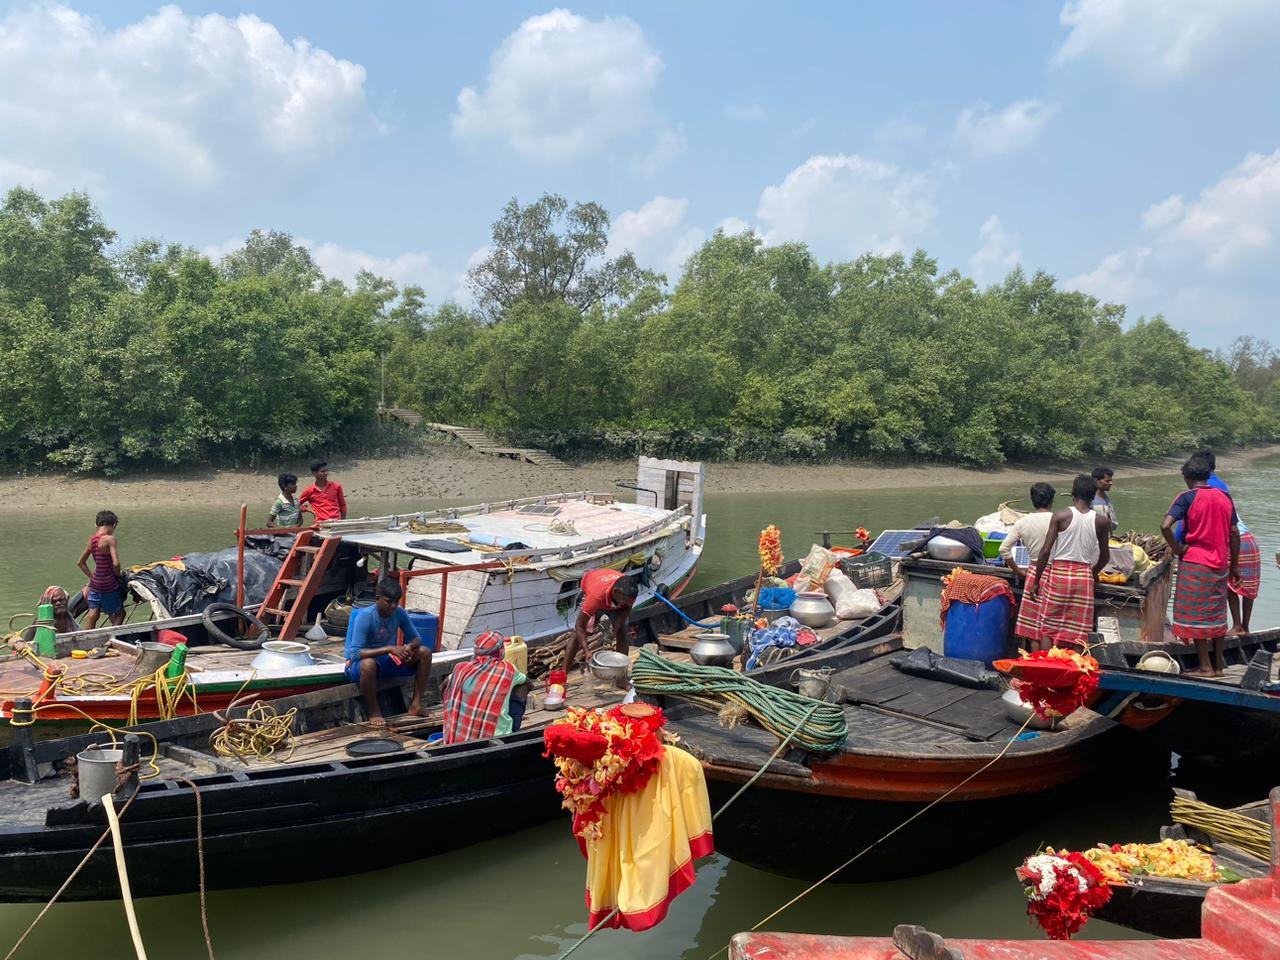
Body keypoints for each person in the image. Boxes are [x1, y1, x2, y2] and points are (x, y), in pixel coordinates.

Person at [1162, 453, 1240, 677]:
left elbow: (1165, 525)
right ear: (1208, 475)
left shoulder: (1186, 497)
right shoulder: (1225, 498)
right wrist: (1234, 566)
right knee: (1216, 615)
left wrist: (1178, 549)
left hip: (1196, 563)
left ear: (1187, 477)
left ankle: (1205, 667)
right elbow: (1234, 535)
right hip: (1219, 563)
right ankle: (1218, 667)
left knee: (1195, 615)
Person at [1028, 475, 1110, 652]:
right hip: (1083, 578)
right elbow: (1105, 557)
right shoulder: (1101, 521)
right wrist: (1093, 572)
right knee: (1078, 631)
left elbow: (1045, 551)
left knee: (1049, 627)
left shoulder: (1061, 515)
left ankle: (1046, 668)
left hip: (1059, 574)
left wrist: (1036, 581)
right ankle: (1073, 671)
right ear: (1093, 496)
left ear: (1073, 494)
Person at [1187, 450, 1260, 637]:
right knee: (1246, 586)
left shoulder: (1202, 489)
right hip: (1249, 539)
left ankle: (1236, 625)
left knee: (1228, 584)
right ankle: (1245, 626)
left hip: (1233, 539)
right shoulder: (1220, 484)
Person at [343, 579, 432, 727]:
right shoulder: (365, 616)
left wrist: (409, 647)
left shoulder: (399, 613)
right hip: (359, 665)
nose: (393, 606)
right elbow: (353, 653)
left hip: (385, 662)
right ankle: (374, 711)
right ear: (377, 599)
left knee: (425, 652)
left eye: (396, 602)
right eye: (389, 602)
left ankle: (416, 704)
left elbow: (416, 638)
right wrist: (389, 649)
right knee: (368, 664)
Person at [546, 569, 640, 708]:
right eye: (623, 600)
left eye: (628, 601)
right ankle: (563, 672)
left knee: (623, 631)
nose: (625, 603)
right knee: (577, 635)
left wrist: (615, 629)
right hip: (591, 588)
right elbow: (579, 626)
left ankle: (621, 678)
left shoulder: (629, 593)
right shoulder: (595, 597)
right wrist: (587, 650)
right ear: (616, 593)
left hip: (610, 593)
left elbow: (625, 611)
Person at [441, 631, 527, 744]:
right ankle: (512, 730)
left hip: (457, 740)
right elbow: (527, 682)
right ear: (501, 651)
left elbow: (444, 685)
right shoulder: (508, 669)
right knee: (522, 686)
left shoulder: (461, 668)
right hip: (498, 737)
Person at [999, 482, 1056, 647]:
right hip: (1056, 574)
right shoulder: (1059, 520)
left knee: (1033, 629)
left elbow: (1003, 549)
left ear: (1033, 500)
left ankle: (1034, 665)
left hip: (1033, 573)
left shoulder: (1023, 522)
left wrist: (1017, 570)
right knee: (1050, 628)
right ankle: (1050, 664)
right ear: (1051, 501)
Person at [76, 511, 125, 629]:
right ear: (114, 525)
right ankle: (112, 638)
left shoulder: (92, 540)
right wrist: (118, 576)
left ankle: (87, 638)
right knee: (120, 613)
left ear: (96, 524)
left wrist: (92, 577)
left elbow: (80, 562)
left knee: (93, 613)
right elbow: (116, 563)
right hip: (108, 583)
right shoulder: (110, 539)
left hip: (95, 583)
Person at [1091, 466, 1117, 532]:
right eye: (1107, 481)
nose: (1111, 483)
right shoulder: (1089, 499)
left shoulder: (1107, 499)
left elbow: (1113, 523)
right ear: (1096, 481)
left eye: (1111, 480)